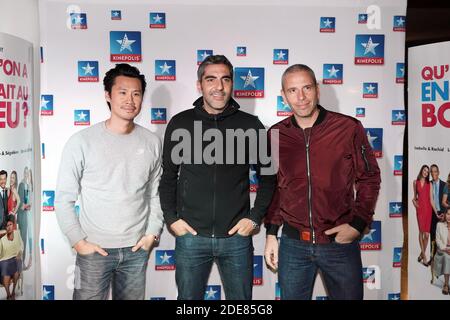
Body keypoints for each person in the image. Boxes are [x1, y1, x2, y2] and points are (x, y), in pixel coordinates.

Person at [159, 55, 276, 300]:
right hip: (191, 237)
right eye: (211, 79)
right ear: (199, 85)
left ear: (233, 84)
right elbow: (168, 177)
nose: (219, 87)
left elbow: (268, 179)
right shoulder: (181, 123)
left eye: (225, 79)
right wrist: (171, 219)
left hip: (236, 239)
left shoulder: (251, 125)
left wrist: (254, 218)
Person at [263, 64, 381, 300]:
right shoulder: (275, 134)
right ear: (284, 96)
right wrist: (271, 233)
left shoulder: (348, 128)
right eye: (293, 90)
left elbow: (369, 178)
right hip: (293, 246)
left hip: (339, 244)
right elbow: (275, 187)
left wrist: (358, 224)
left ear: (317, 89)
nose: (301, 97)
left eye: (307, 88)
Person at [55, 63, 164, 300]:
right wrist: (79, 242)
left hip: (136, 250)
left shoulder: (151, 142)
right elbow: (64, 198)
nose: (130, 100)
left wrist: (151, 234)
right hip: (93, 250)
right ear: (108, 95)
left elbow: (155, 194)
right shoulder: (82, 141)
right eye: (122, 92)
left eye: (136, 94)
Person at [412, 165, 436, 266]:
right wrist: (414, 203)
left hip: (428, 210)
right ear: (421, 170)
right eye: (424, 170)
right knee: (421, 232)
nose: (426, 172)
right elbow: (414, 197)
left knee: (427, 235)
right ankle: (424, 256)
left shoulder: (429, 184)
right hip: (420, 210)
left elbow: (431, 199)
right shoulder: (415, 182)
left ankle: (421, 254)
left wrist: (436, 211)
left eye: (427, 171)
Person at [0, 215, 23, 300]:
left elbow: (21, 245)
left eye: (10, 225)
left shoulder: (17, 234)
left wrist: (20, 252)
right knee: (5, 267)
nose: (9, 227)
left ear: (13, 225)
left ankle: (13, 291)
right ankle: (9, 294)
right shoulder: (2, 240)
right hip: (4, 260)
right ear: (5, 227)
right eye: (7, 225)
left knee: (16, 265)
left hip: (16, 258)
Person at [430, 165, 446, 263]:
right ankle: (432, 259)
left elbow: (447, 200)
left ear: (438, 172)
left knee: (441, 237)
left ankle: (442, 260)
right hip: (432, 214)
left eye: (435, 171)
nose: (433, 173)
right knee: (433, 237)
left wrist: (444, 213)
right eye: (432, 172)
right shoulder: (429, 184)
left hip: (442, 214)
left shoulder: (444, 185)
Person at [433, 207, 450, 295]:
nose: (449, 216)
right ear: (445, 214)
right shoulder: (439, 225)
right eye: (448, 214)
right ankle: (446, 285)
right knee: (447, 257)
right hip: (442, 250)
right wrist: (445, 248)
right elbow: (438, 240)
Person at [17, 167, 31, 268]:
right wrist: (28, 205)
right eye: (25, 173)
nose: (27, 175)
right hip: (22, 217)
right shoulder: (22, 185)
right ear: (23, 173)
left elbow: (26, 202)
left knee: (25, 240)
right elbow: (21, 204)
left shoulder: (26, 185)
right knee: (22, 241)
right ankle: (20, 264)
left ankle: (22, 263)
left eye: (28, 173)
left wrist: (28, 205)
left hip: (25, 216)